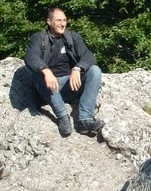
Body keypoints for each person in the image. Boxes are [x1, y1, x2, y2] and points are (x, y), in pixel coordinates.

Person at [25, 7, 104, 137]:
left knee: (94, 70)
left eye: (64, 20)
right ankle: (62, 117)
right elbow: (31, 57)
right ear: (49, 22)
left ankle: (84, 120)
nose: (62, 24)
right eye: (58, 20)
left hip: (69, 86)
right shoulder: (39, 38)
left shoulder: (72, 37)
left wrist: (78, 68)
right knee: (37, 73)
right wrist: (46, 71)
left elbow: (89, 56)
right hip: (48, 90)